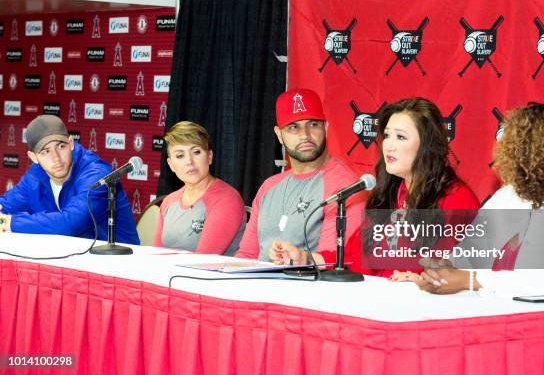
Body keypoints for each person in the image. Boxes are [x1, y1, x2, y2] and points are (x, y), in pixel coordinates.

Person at [412, 101, 544, 372]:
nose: (507, 156)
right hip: (514, 337)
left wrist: (471, 280)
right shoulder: (513, 195)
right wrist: (444, 268)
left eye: (519, 149)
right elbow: (472, 252)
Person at [269, 97, 480, 275]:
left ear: (427, 145)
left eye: (401, 137)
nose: (389, 145)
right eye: (387, 136)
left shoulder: (456, 199)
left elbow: (462, 272)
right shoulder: (390, 194)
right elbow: (352, 257)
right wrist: (303, 257)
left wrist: (422, 280)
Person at [235, 88, 366, 261]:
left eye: (313, 124)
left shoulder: (345, 186)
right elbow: (246, 255)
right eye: (293, 127)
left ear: (326, 127)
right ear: (279, 135)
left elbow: (333, 261)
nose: (305, 135)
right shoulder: (269, 186)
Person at [0, 115, 139, 244]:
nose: (56, 158)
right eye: (46, 151)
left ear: (71, 143)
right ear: (33, 157)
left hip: (119, 263)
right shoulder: (34, 176)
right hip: (72, 260)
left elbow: (70, 223)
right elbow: (5, 205)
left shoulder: (97, 173)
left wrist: (9, 223)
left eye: (61, 146)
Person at [153, 121, 245, 255]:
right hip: (170, 274)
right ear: (171, 165)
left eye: (196, 152)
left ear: (209, 156)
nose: (189, 161)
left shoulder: (227, 199)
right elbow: (156, 254)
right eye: (180, 155)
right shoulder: (169, 202)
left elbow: (203, 260)